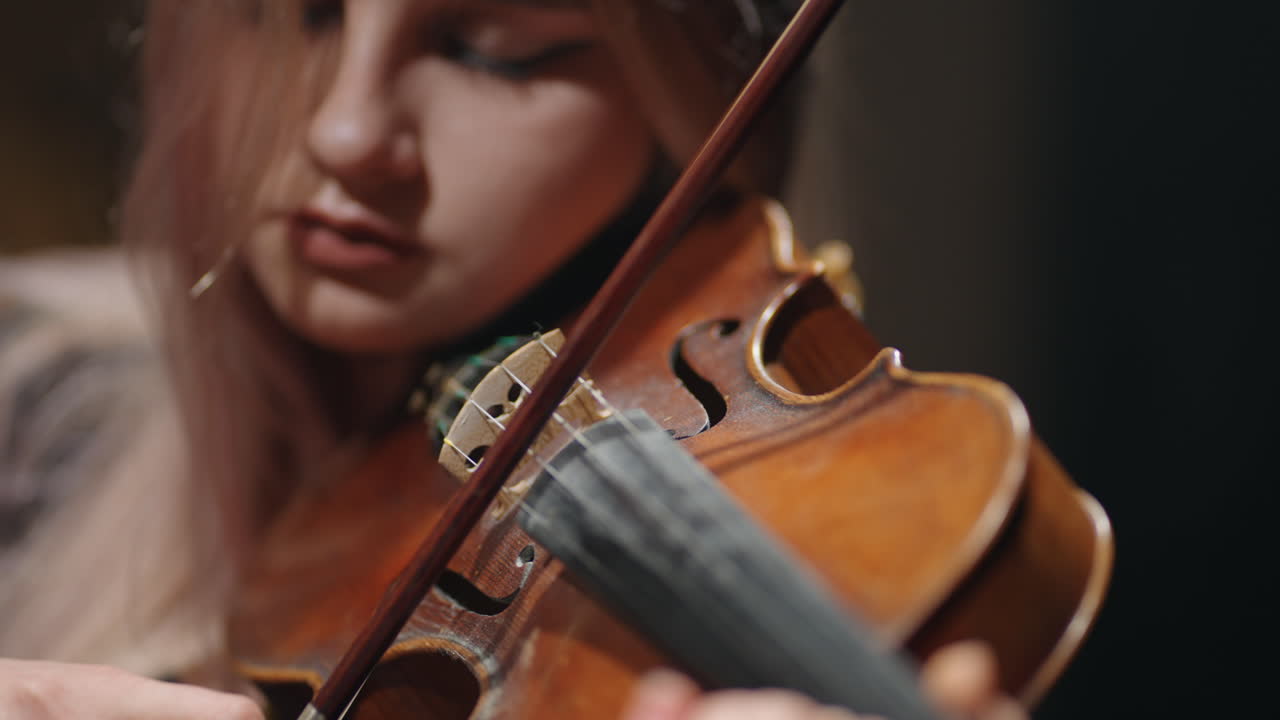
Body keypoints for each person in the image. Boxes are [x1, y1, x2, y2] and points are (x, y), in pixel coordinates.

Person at [0, 1, 1029, 718]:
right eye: (296, 9)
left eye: (492, 48)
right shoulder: (24, 389)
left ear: (700, 101)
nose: (348, 131)